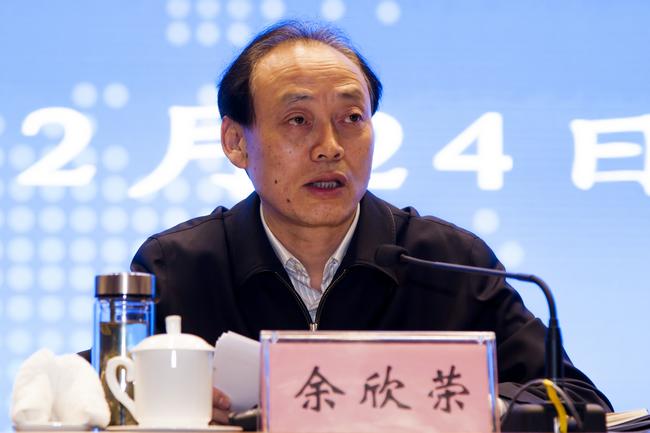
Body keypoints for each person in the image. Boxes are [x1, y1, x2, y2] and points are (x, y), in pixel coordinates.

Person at [130, 20, 612, 424]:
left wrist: (476, 408)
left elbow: (578, 400)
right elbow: (106, 395)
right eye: (298, 120)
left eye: (351, 118)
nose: (329, 147)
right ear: (236, 142)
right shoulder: (177, 267)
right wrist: (163, 405)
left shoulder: (448, 261)